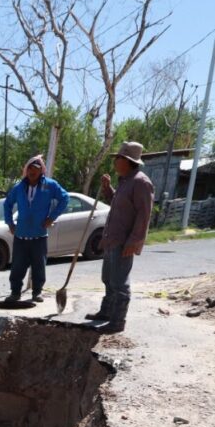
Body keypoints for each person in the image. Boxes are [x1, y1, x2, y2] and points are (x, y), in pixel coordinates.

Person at [86, 141, 154, 334]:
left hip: (124, 242)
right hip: (111, 238)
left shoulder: (141, 182)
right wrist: (108, 189)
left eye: (118, 158)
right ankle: (106, 312)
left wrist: (134, 241)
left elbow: (144, 214)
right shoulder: (125, 181)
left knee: (119, 283)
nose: (115, 161)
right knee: (108, 278)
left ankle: (118, 321)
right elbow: (118, 205)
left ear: (128, 161)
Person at [3, 155, 69, 304]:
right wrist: (10, 223)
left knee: (39, 266)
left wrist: (52, 218)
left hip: (39, 236)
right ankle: (15, 293)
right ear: (26, 170)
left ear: (42, 171)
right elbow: (7, 204)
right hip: (21, 236)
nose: (33, 172)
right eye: (30, 168)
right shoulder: (19, 188)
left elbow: (65, 198)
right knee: (18, 267)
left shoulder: (50, 185)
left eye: (36, 169)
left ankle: (36, 293)